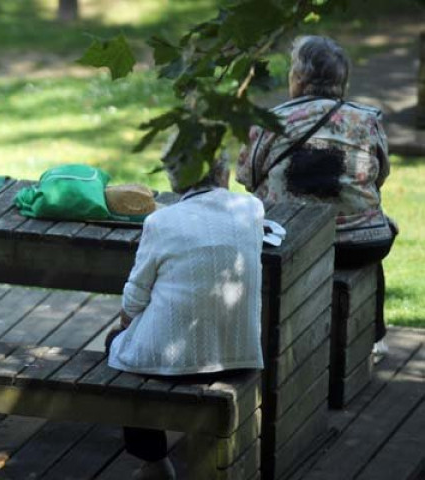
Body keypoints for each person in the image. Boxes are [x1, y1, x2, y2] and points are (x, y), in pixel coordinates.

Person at [106, 158, 265, 480]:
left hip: (176, 359)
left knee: (117, 347)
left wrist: (123, 325)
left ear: (175, 179)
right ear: (223, 173)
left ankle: (154, 461)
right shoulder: (251, 208)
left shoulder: (161, 221)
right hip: (241, 352)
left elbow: (135, 297)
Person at [236, 35, 395, 353]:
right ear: (342, 80)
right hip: (362, 244)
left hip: (290, 239)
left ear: (297, 77)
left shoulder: (271, 122)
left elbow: (246, 177)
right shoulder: (367, 120)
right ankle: (373, 336)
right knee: (373, 227)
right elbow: (380, 176)